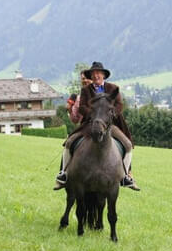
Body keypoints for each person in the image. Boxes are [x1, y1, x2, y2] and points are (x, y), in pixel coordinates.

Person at [54, 62, 140, 191]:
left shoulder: (113, 88)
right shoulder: (85, 90)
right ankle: (63, 174)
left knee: (127, 145)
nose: (96, 75)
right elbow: (82, 107)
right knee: (69, 143)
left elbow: (119, 105)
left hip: (110, 125)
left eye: (98, 73)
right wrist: (94, 115)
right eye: (93, 74)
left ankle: (126, 176)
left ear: (104, 75)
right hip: (90, 124)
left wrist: (109, 115)